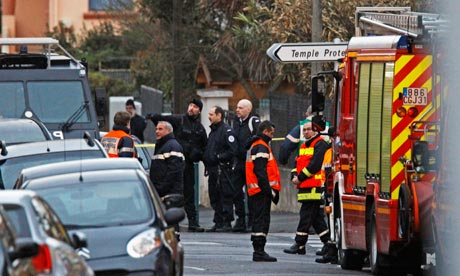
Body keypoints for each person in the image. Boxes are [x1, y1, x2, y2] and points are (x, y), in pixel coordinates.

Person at [278, 106, 334, 258]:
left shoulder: (320, 144)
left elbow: (315, 165)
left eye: (308, 129)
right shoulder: (304, 145)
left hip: (314, 187)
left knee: (306, 216)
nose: (305, 132)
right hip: (305, 187)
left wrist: (300, 177)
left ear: (315, 130)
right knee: (316, 219)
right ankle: (329, 245)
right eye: (304, 130)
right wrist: (294, 175)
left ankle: (299, 243)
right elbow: (298, 163)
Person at [146, 98, 208, 232]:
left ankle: (193, 222)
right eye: (191, 105)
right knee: (172, 195)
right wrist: (153, 117)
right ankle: (171, 222)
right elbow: (163, 120)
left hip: (189, 166)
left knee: (189, 194)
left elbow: (204, 147)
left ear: (199, 110)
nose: (192, 108)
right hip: (175, 163)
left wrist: (198, 155)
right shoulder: (179, 120)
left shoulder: (200, 129)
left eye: (195, 107)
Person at [246, 120, 281, 262]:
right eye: (271, 133)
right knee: (262, 220)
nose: (272, 136)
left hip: (256, 190)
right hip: (261, 191)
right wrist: (269, 191)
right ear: (265, 132)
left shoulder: (255, 145)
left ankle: (258, 250)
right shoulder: (261, 147)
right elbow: (261, 171)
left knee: (258, 219)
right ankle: (259, 251)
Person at [203, 106, 238, 232]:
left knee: (225, 195)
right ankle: (218, 221)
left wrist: (218, 157)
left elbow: (232, 150)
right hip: (213, 170)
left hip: (223, 170)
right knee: (214, 195)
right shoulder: (213, 131)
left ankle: (226, 222)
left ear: (219, 116)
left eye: (212, 114)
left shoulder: (227, 131)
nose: (209, 116)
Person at [150, 121, 185, 240]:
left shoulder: (173, 146)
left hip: (170, 193)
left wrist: (162, 188)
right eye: (156, 129)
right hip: (162, 192)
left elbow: (174, 172)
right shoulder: (162, 145)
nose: (156, 131)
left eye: (160, 129)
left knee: (171, 221)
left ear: (169, 131)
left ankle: (173, 242)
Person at [231, 99, 260, 232]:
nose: (237, 110)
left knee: (251, 193)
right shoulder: (236, 122)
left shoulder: (253, 121)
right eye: (237, 107)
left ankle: (252, 220)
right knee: (235, 191)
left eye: (241, 108)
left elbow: (257, 137)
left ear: (248, 109)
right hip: (238, 162)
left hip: (250, 163)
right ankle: (240, 219)